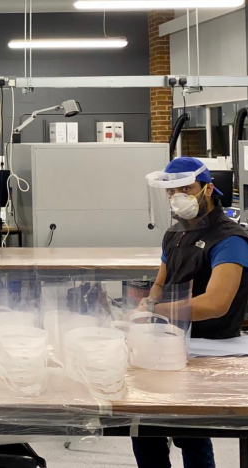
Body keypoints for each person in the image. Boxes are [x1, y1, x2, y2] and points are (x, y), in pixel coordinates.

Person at [133, 157, 248, 468]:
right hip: (171, 341)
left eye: (186, 189)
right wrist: (146, 305)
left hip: (212, 347)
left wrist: (157, 310)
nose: (177, 197)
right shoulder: (174, 234)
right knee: (145, 426)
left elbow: (216, 303)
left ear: (208, 188)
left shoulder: (230, 238)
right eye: (171, 192)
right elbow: (161, 282)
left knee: (190, 432)